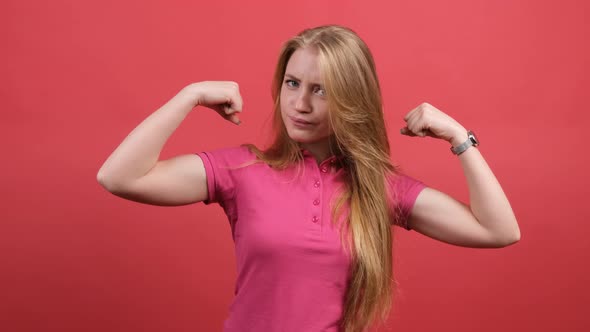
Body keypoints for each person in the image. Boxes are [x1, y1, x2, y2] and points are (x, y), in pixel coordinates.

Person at [97, 25, 520, 332]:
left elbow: (498, 230)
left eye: (321, 90)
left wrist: (459, 137)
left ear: (351, 99)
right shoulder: (242, 170)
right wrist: (189, 95)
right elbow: (120, 177)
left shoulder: (378, 190)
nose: (299, 103)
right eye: (292, 83)